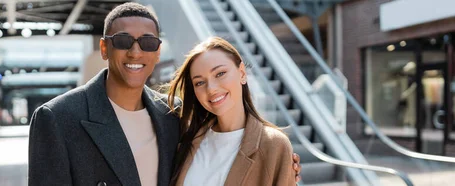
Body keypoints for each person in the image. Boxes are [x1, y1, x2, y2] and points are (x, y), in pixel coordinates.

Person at [29, 2, 301, 186]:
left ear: (157, 52)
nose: (136, 52)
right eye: (123, 41)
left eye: (147, 43)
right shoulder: (57, 118)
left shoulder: (173, 115)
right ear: (104, 48)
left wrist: (278, 159)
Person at [167, 37, 296, 186]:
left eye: (220, 74)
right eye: (200, 82)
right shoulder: (187, 141)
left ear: (242, 73)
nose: (211, 89)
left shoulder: (273, 145)